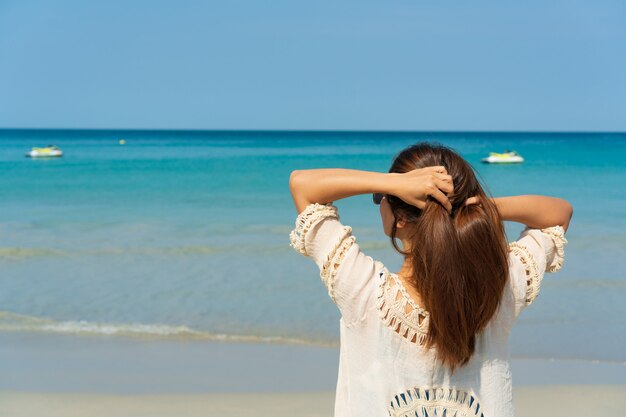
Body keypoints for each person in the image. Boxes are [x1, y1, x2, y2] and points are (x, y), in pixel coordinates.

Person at [288, 141, 572, 417]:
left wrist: (390, 183)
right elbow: (558, 215)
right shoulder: (499, 290)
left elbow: (303, 184)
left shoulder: (364, 292)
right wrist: (481, 209)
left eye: (380, 199)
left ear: (399, 218)